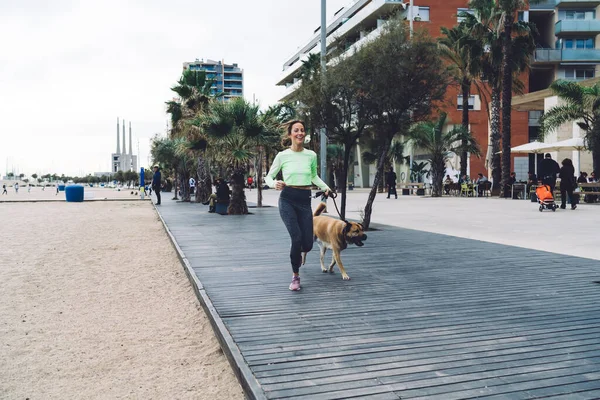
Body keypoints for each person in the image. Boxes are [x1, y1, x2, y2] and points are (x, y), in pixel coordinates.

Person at [264, 120, 331, 291]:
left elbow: (314, 176)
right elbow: (268, 177)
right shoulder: (282, 155)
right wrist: (274, 184)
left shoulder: (311, 155)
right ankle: (295, 276)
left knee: (307, 244)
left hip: (304, 200)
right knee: (296, 237)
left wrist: (325, 187)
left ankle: (297, 252)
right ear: (290, 134)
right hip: (287, 199)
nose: (300, 133)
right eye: (296, 130)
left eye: (302, 130)